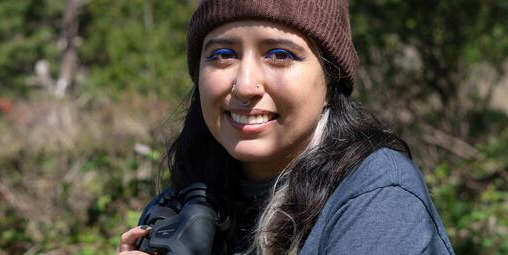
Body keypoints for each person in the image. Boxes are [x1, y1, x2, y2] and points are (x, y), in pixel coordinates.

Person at [119, 0, 456, 254]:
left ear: (330, 81)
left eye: (279, 54)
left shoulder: (379, 196)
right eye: (222, 54)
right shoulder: (191, 198)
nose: (245, 85)